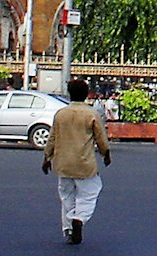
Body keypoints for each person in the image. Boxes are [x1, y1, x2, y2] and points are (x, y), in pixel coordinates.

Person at [43, 77, 111, 245]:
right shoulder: (91, 113)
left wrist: (47, 157)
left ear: (69, 94)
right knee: (89, 194)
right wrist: (106, 154)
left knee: (67, 196)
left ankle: (68, 229)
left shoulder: (61, 114)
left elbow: (52, 138)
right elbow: (101, 138)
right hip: (84, 163)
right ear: (86, 94)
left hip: (63, 164)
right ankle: (79, 219)